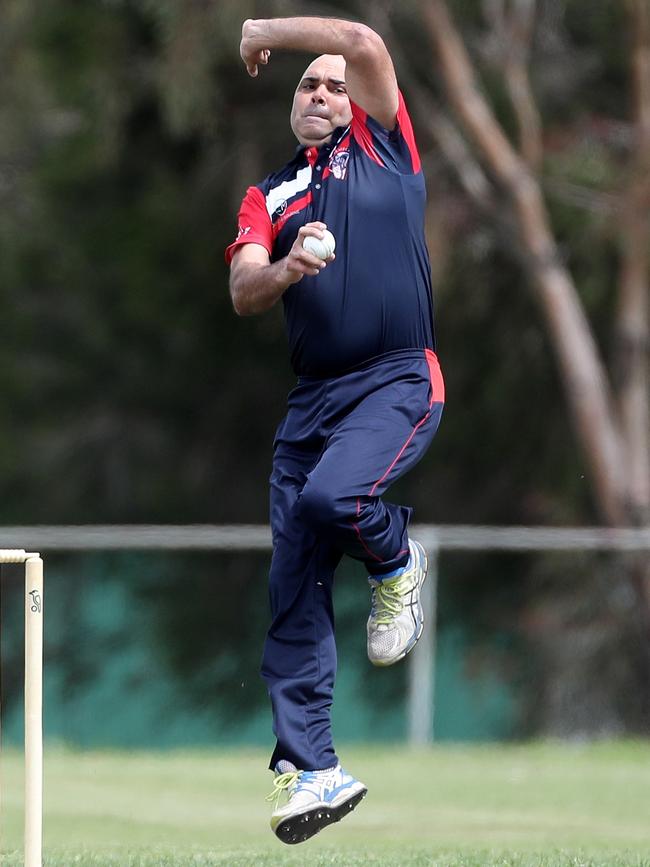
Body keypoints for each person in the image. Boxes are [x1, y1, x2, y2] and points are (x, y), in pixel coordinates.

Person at [226, 15, 445, 845]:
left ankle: (396, 557)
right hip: (312, 401)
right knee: (291, 591)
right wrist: (289, 266)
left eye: (331, 84)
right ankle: (309, 768)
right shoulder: (270, 194)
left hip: (395, 376)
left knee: (336, 499)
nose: (320, 92)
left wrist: (263, 30)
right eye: (305, 84)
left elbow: (359, 38)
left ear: (357, 100)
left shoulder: (386, 142)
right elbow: (246, 287)